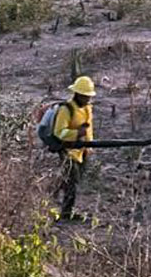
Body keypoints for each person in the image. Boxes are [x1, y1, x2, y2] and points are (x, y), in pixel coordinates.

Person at [53, 76, 95, 222]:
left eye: (89, 96)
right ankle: (65, 214)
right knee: (71, 183)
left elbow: (88, 129)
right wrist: (77, 134)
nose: (88, 99)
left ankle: (65, 207)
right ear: (77, 94)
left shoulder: (87, 109)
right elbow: (59, 133)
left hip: (81, 152)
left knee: (74, 182)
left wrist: (89, 145)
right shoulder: (66, 109)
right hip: (67, 152)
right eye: (85, 96)